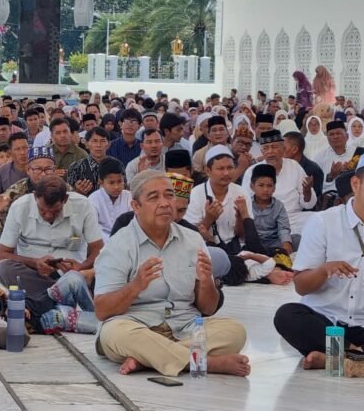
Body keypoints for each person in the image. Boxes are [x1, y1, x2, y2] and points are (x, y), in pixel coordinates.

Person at [95, 170, 250, 378]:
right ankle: (205, 362)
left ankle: (149, 358)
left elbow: (208, 307)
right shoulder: (118, 245)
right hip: (136, 325)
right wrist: (136, 286)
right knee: (114, 333)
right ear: (136, 206)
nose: (165, 203)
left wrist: (206, 283)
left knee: (235, 331)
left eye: (169, 195)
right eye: (154, 197)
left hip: (184, 326)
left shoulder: (193, 240)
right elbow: (103, 311)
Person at [274, 152, 364, 369]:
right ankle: (356, 358)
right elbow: (301, 286)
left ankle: (334, 358)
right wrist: (323, 270)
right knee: (287, 315)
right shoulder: (323, 222)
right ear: (356, 184)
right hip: (326, 322)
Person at [0, 175, 104, 296]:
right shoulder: (19, 207)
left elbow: (98, 249)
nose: (48, 216)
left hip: (71, 273)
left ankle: (46, 298)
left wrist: (82, 266)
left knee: (99, 271)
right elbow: (2, 255)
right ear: (35, 196)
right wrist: (34, 262)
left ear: (65, 199)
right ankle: (61, 292)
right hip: (32, 274)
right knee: (3, 269)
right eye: (42, 210)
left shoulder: (83, 205)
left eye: (55, 211)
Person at [240, 130, 316, 237]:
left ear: (283, 149)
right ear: (262, 152)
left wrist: (307, 191)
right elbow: (247, 203)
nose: (270, 152)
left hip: (294, 217)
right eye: (266, 148)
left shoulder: (294, 166)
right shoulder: (252, 171)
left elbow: (308, 205)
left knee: (319, 220)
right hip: (265, 220)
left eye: (274, 147)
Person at [185, 145, 253, 255]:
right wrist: (209, 218)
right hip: (206, 249)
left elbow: (243, 235)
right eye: (220, 169)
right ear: (208, 171)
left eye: (230, 168)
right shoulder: (196, 194)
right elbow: (190, 235)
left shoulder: (241, 193)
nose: (226, 173)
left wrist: (240, 218)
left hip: (236, 248)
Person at [248, 164, 293, 254]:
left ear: (274, 188)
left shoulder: (279, 205)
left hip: (274, 242)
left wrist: (286, 244)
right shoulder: (247, 203)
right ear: (252, 187)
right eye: (261, 185)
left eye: (269, 186)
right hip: (253, 242)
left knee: (296, 239)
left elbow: (283, 228)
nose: (265, 189)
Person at [88, 158, 132, 242]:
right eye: (111, 183)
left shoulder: (129, 196)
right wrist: (112, 241)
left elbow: (135, 223)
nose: (116, 186)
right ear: (101, 183)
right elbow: (93, 228)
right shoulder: (93, 199)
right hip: (102, 242)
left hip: (127, 240)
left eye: (120, 181)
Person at [0, 133, 30, 216]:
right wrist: (0, 201)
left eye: (25, 148)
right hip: (10, 212)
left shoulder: (38, 168)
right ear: (10, 152)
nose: (22, 152)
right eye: (17, 149)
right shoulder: (0, 171)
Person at [314, 120, 356, 203]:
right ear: (327, 138)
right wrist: (331, 176)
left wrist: (352, 171)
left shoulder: (355, 154)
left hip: (354, 194)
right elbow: (316, 185)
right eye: (331, 134)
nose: (335, 137)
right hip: (330, 196)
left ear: (347, 136)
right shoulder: (319, 157)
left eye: (339, 133)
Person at [67, 127, 112, 196]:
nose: (98, 145)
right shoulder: (76, 167)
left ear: (108, 144)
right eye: (94, 141)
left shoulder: (116, 165)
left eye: (102, 141)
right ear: (86, 144)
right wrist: (78, 192)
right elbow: (69, 196)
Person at [283, 130, 324, 201]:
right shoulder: (282, 165)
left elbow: (315, 199)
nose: (279, 150)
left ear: (294, 149)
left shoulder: (313, 169)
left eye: (283, 148)